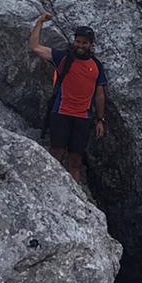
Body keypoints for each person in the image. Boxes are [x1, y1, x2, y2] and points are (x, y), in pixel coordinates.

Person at [28, 13, 107, 182]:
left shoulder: (97, 66)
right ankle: (49, 185)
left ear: (91, 45)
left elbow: (100, 95)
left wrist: (101, 120)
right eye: (78, 41)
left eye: (84, 43)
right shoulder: (63, 57)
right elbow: (34, 47)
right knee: (56, 154)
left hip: (83, 118)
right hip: (61, 113)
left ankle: (75, 195)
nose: (80, 45)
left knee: (76, 160)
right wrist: (39, 22)